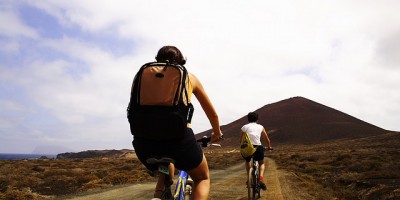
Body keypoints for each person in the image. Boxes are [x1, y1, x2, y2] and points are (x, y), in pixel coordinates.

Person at [131, 46, 223, 199]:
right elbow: (212, 114)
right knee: (202, 178)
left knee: (164, 167)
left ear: (157, 60)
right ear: (181, 61)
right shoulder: (189, 77)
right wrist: (217, 133)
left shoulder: (140, 76)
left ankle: (159, 194)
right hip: (179, 142)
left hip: (143, 143)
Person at [240, 111, 272, 190]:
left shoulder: (244, 127)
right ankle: (261, 179)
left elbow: (241, 140)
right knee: (261, 163)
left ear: (248, 119)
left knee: (247, 161)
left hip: (248, 148)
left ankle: (249, 178)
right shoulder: (261, 127)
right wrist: (269, 147)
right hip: (258, 147)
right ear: (257, 119)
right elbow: (267, 139)